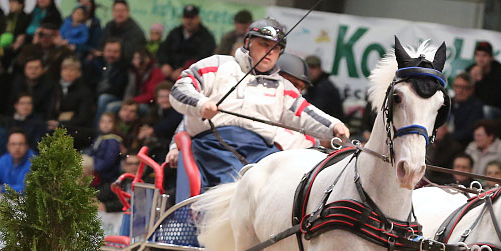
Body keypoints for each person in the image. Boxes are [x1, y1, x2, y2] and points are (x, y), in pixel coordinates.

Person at [168, 17, 348, 202]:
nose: (269, 52)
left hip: (261, 150)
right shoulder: (217, 64)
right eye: (263, 44)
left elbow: (304, 112)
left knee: (285, 182)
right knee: (237, 189)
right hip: (215, 145)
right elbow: (180, 89)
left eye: (276, 48)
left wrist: (333, 126)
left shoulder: (283, 86)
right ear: (248, 42)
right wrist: (201, 104)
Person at [49, 57, 94, 148]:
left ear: (79, 73)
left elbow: (83, 117)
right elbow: (49, 109)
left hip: (76, 129)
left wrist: (61, 124)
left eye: (72, 70)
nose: (68, 72)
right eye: (65, 69)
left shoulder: (84, 91)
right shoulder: (55, 87)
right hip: (56, 125)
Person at [0, 128, 35, 194]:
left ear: (27, 146)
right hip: (5, 199)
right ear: (8, 146)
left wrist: (0, 189)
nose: (17, 148)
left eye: (21, 144)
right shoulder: (4, 159)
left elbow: (27, 188)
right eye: (13, 144)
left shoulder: (33, 161)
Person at [90, 111, 124, 208]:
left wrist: (94, 167)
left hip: (107, 178)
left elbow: (109, 161)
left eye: (109, 122)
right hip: (98, 174)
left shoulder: (113, 140)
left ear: (114, 124)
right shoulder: (99, 138)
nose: (105, 125)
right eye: (103, 122)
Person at [469, 41, 501, 113]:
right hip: (474, 106)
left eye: (484, 55)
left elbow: (492, 100)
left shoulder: (500, 75)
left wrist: (480, 80)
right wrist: (471, 80)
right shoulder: (470, 70)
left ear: (491, 57)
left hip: (495, 110)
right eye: (478, 55)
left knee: (485, 109)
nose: (480, 59)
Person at [303, 54, 344, 121]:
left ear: (320, 70)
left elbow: (314, 110)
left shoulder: (324, 87)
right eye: (307, 67)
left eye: (313, 67)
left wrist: (304, 92)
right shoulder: (314, 83)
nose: (310, 71)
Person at [448, 71, 484, 146]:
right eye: (457, 86)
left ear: (472, 89)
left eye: (464, 88)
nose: (460, 91)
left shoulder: (476, 106)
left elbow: (468, 131)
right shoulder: (447, 102)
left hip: (461, 144)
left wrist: (446, 138)